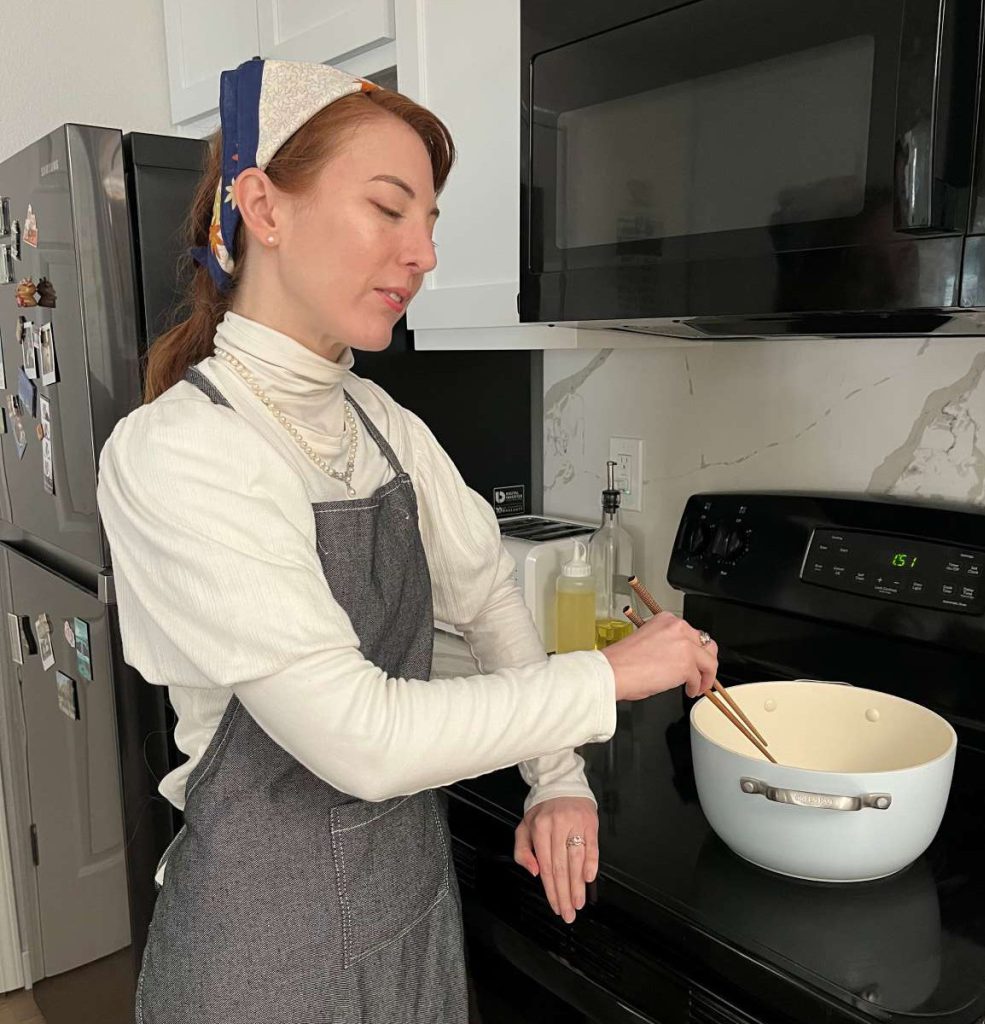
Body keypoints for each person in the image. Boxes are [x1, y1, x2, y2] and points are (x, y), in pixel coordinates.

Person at [97, 58, 719, 1024]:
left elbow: (490, 601)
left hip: (409, 916)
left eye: (428, 222)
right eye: (390, 209)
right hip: (261, 963)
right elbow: (363, 740)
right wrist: (609, 678)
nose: (423, 253)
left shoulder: (382, 422)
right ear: (263, 206)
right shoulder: (178, 451)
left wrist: (559, 783)